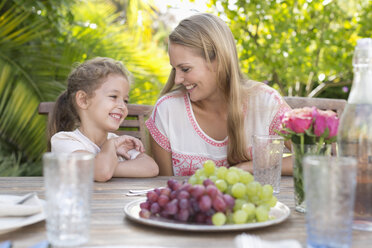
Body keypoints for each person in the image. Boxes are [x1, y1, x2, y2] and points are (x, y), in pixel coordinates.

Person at [145, 13, 292, 176]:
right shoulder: (168, 111)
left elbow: (312, 157)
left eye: (185, 69)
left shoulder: (266, 103)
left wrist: (247, 168)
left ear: (219, 61)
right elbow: (166, 188)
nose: (178, 79)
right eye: (174, 69)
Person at [49, 57, 159, 182]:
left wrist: (109, 165)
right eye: (113, 96)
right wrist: (110, 148)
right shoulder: (64, 142)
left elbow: (151, 167)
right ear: (83, 100)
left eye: (125, 100)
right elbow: (102, 172)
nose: (122, 106)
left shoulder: (116, 141)